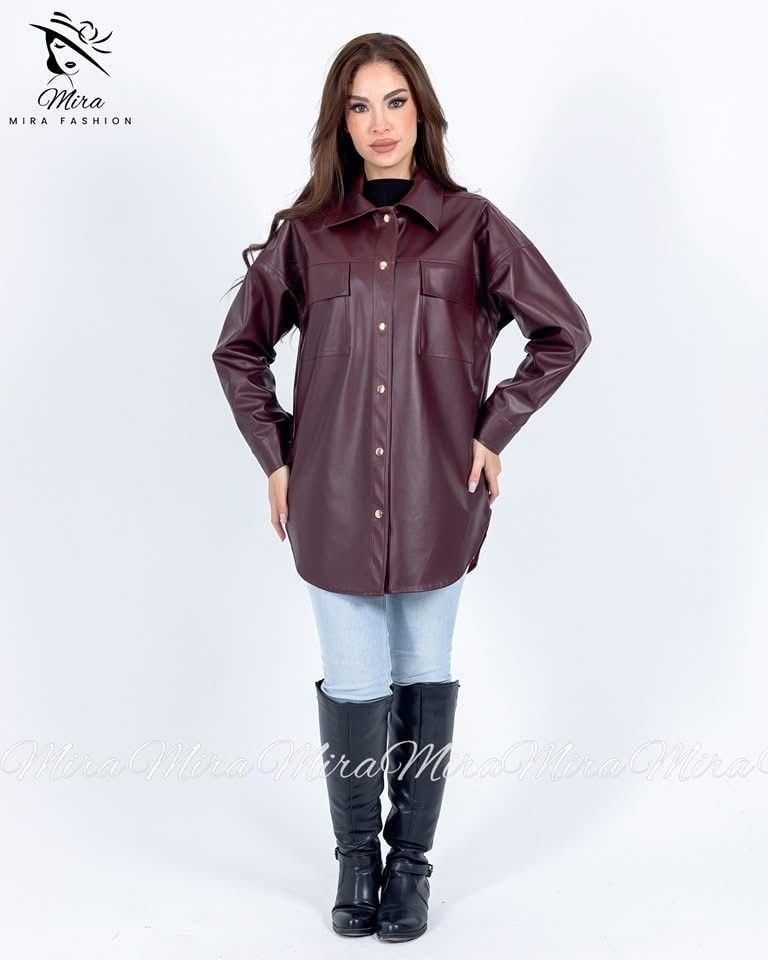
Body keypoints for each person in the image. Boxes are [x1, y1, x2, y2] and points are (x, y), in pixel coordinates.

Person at [212, 32, 591, 942]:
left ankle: (410, 867)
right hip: (333, 501)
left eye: (394, 102)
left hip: (435, 498)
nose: (379, 124)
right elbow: (238, 350)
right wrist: (277, 457)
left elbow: (562, 332)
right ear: (339, 124)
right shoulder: (307, 238)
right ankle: (356, 862)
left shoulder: (474, 226)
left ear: (421, 112)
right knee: (353, 686)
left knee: (423, 675)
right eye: (359, 106)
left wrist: (494, 429)